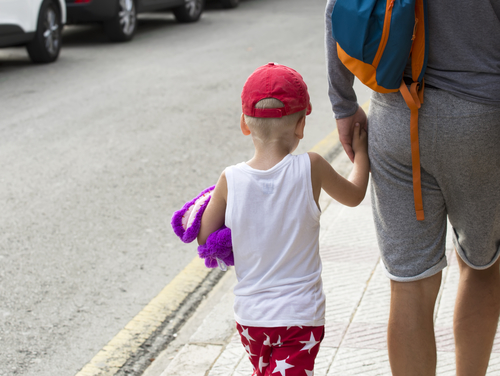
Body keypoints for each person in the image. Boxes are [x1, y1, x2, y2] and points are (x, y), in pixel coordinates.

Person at [325, 1, 500, 375]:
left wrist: (343, 104)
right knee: (481, 266)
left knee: (409, 282)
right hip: (482, 122)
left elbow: (340, 8)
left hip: (395, 119)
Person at [197, 62, 369, 375]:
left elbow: (205, 238)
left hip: (251, 319)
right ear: (301, 126)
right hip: (299, 319)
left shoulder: (230, 178)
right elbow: (355, 194)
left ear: (244, 125)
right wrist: (362, 154)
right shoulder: (311, 166)